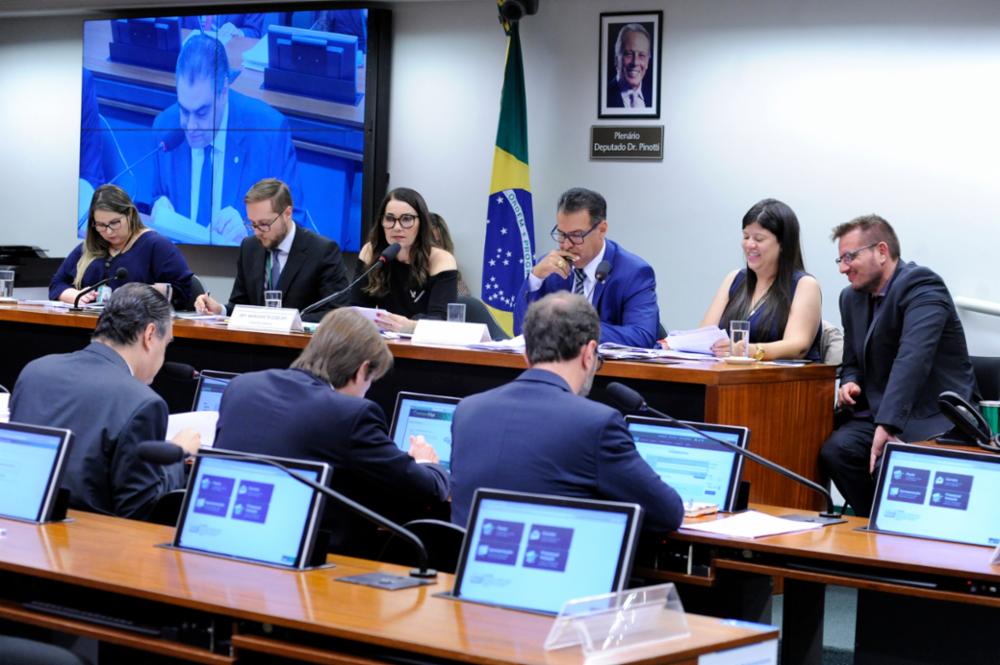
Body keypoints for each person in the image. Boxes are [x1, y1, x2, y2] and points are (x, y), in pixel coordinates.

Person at [212, 308, 450, 557]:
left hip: (224, 544)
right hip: (306, 562)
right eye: (371, 381)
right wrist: (425, 462)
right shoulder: (350, 414)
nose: (367, 391)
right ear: (362, 369)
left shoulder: (242, 386)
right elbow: (427, 489)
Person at [450, 292, 684, 530]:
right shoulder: (597, 424)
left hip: (468, 565)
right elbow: (668, 512)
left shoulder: (467, 410)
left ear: (525, 354)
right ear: (589, 353)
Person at [819, 215, 977, 517]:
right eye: (840, 259)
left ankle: (900, 542)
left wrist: (888, 424)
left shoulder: (922, 286)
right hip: (880, 411)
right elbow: (852, 359)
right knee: (837, 452)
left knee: (889, 465)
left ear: (881, 251)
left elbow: (912, 358)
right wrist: (850, 381)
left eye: (850, 257)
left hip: (932, 414)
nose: (842, 268)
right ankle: (875, 526)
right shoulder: (850, 298)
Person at [10, 284, 200, 520]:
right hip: (91, 545)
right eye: (167, 343)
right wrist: (177, 454)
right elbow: (139, 508)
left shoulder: (36, 371)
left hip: (18, 525)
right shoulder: (144, 402)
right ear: (150, 335)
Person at [150, 34, 303, 246]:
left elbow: (294, 224)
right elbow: (156, 196)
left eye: (202, 113)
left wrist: (252, 232)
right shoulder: (165, 127)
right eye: (184, 111)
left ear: (223, 91)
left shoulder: (268, 134)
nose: (191, 126)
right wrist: (158, 206)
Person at [513, 187, 660, 348]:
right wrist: (536, 278)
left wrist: (576, 329)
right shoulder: (550, 268)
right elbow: (521, 331)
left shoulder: (633, 272)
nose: (566, 245)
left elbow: (642, 336)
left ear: (602, 229)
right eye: (561, 234)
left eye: (576, 235)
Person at [194, 178, 349, 321]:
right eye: (253, 224)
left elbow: (338, 313)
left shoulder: (322, 251)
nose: (257, 232)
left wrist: (288, 321)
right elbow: (241, 305)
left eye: (264, 224)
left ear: (287, 214)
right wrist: (219, 310)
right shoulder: (249, 247)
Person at [692, 198, 822, 361]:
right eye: (746, 237)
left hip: (780, 381)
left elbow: (798, 346)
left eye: (759, 239)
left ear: (783, 244)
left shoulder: (804, 285)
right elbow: (704, 336)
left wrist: (749, 350)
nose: (749, 245)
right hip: (728, 376)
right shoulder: (734, 279)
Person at [51, 184, 194, 309]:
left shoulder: (156, 245)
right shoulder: (88, 247)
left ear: (130, 214)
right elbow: (57, 284)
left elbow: (184, 292)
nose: (108, 231)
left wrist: (140, 294)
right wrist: (76, 296)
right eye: (100, 225)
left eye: (114, 223)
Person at [351, 188, 458, 333]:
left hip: (425, 349)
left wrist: (412, 326)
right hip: (380, 345)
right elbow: (355, 308)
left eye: (406, 219)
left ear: (421, 223)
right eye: (389, 219)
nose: (397, 227)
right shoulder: (372, 252)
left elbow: (442, 322)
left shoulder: (440, 260)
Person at [606, 23, 653, 109]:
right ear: (616, 59)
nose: (635, 62)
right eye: (629, 54)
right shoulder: (605, 95)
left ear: (647, 61)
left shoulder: (653, 95)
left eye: (641, 55)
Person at [428, 212, 471, 296]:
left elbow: (464, 301)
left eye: (438, 243)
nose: (436, 250)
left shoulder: (450, 272)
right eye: (431, 244)